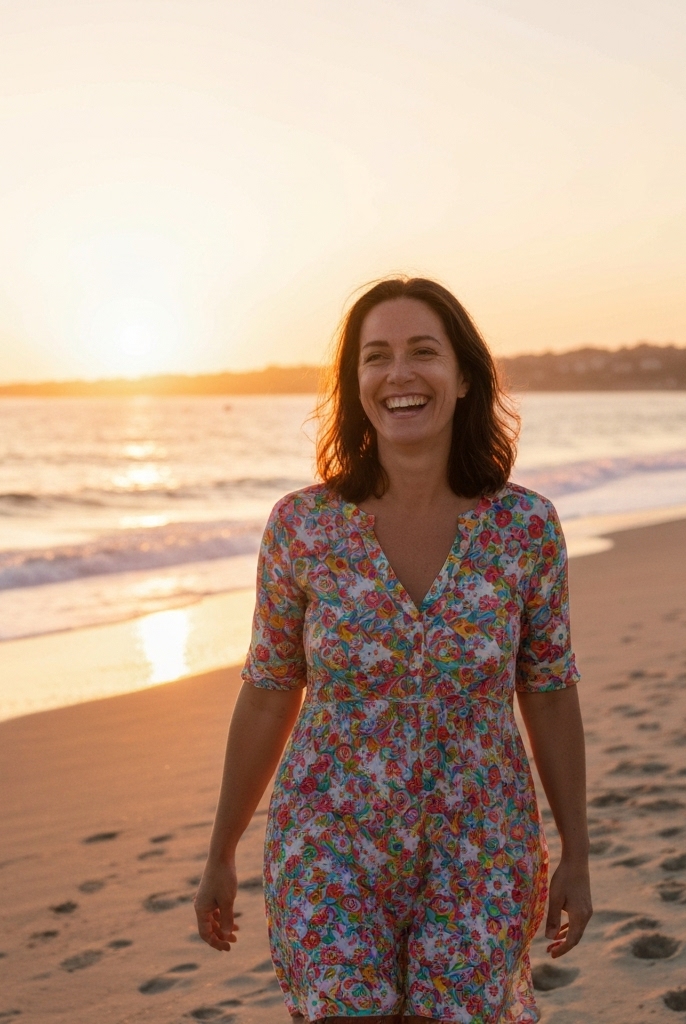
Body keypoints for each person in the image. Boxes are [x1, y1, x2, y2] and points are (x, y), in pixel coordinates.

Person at [193, 277, 591, 1023]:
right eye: (376, 357)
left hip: (483, 840)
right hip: (328, 837)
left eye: (423, 352)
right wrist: (222, 850)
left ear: (464, 375)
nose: (399, 374)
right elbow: (269, 690)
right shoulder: (302, 527)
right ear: (355, 384)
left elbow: (549, 689)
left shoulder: (525, 528)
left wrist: (576, 849)